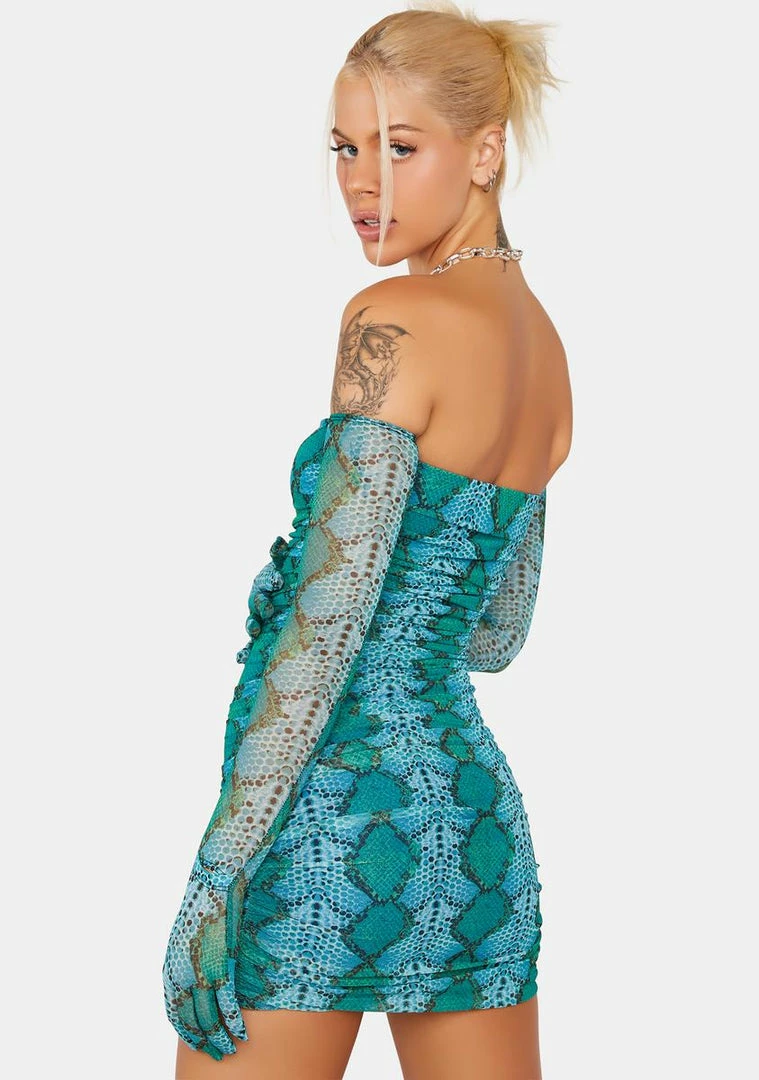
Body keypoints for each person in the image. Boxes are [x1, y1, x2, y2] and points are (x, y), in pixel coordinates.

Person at [162, 3, 571, 1077]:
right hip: (472, 840)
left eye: (399, 147)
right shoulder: (544, 346)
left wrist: (217, 872)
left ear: (485, 153)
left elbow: (325, 633)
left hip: (328, 827)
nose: (362, 183)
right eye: (345, 148)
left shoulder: (391, 317)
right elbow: (494, 633)